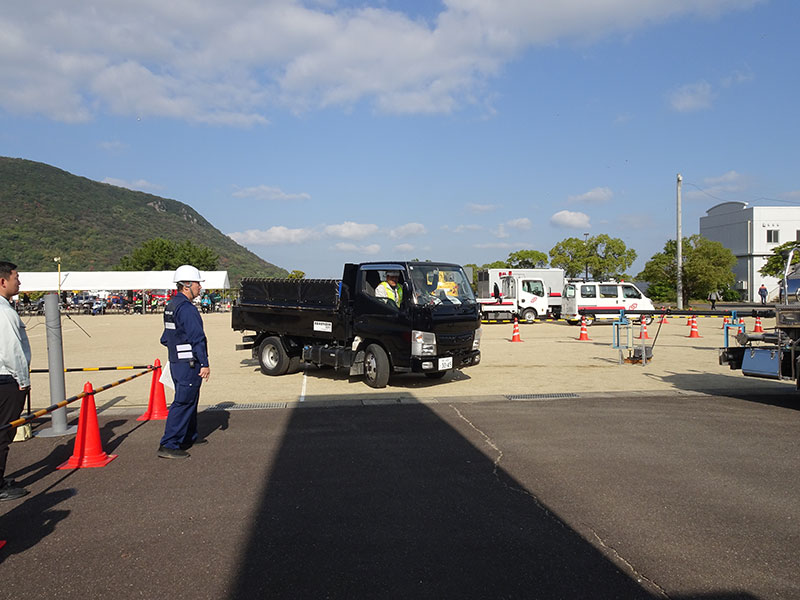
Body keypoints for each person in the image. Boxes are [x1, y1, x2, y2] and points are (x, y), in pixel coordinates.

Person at [157, 265, 211, 459]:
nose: (200, 287)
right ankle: (169, 444)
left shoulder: (171, 305)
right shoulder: (187, 309)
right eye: (197, 283)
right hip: (189, 363)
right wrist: (204, 363)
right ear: (187, 285)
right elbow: (197, 338)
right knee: (183, 401)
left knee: (189, 399)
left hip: (177, 361)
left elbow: (165, 337)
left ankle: (189, 435)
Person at [0, 261, 31, 500]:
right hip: (7, 380)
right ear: (3, 281)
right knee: (3, 434)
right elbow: (11, 350)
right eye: (16, 277)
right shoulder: (4, 312)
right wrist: (23, 380)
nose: (18, 282)